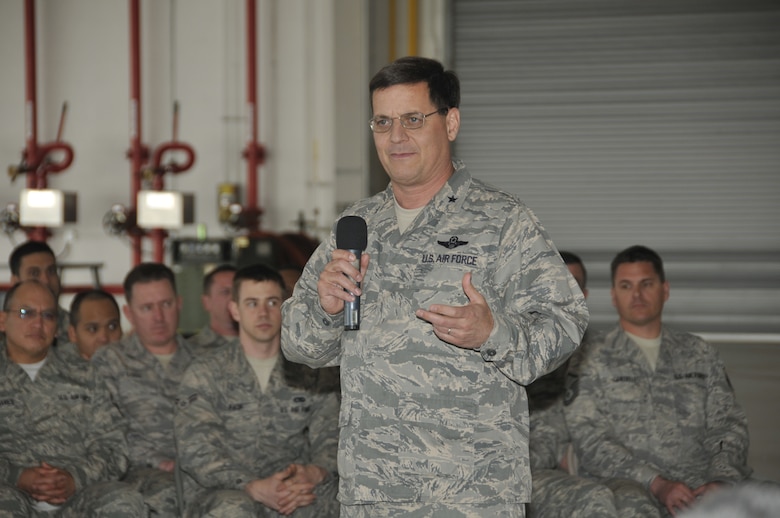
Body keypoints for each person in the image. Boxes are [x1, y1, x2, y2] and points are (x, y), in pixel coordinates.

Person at [282, 56, 588, 517]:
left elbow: (566, 323)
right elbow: (297, 346)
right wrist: (325, 309)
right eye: (382, 122)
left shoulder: (503, 220)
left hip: (471, 493)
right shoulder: (355, 226)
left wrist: (493, 333)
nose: (396, 137)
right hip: (373, 490)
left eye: (412, 119)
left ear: (451, 123)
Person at [564, 245, 752, 517]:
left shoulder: (698, 351)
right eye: (626, 286)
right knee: (630, 506)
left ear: (665, 290)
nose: (637, 295)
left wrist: (721, 479)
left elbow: (728, 424)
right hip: (629, 484)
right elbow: (589, 438)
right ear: (614, 296)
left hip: (702, 479)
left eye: (646, 284)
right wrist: (656, 482)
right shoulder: (590, 356)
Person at [175, 264, 340, 517]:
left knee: (333, 501)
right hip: (225, 490)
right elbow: (197, 449)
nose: (263, 313)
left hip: (291, 488)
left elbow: (331, 435)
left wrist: (316, 471)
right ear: (234, 310)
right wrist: (251, 485)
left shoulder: (311, 372)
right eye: (252, 303)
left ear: (284, 307)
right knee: (234, 510)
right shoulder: (205, 373)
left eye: (272, 303)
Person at [527, 251, 660, 517]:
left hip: (594, 467)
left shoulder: (604, 351)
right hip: (525, 469)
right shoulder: (513, 343)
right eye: (556, 280)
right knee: (593, 499)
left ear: (584, 295)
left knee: (637, 503)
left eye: (573, 283)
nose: (564, 290)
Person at [0, 280, 144, 516]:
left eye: (48, 315)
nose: (38, 323)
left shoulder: (85, 374)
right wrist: (18, 476)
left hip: (77, 497)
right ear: (3, 320)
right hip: (9, 493)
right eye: (26, 313)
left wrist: (75, 477)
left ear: (57, 327)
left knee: (124, 500)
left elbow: (114, 446)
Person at [92, 262, 200, 517]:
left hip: (199, 469)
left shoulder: (204, 364)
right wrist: (157, 461)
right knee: (167, 494)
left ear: (179, 303)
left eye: (166, 304)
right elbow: (104, 429)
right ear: (129, 313)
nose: (159, 317)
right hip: (135, 473)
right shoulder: (110, 361)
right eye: (147, 308)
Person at [8, 241, 69, 346]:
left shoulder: (78, 330)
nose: (46, 280)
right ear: (15, 281)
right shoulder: (5, 327)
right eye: (34, 273)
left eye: (51, 271)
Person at [187, 264, 238, 349]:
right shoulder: (190, 351)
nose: (233, 298)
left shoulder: (261, 345)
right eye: (225, 292)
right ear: (206, 302)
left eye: (237, 291)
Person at [63, 289, 123, 360]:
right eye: (92, 329)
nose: (104, 338)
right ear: (73, 334)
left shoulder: (134, 366)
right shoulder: (57, 368)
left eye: (112, 327)